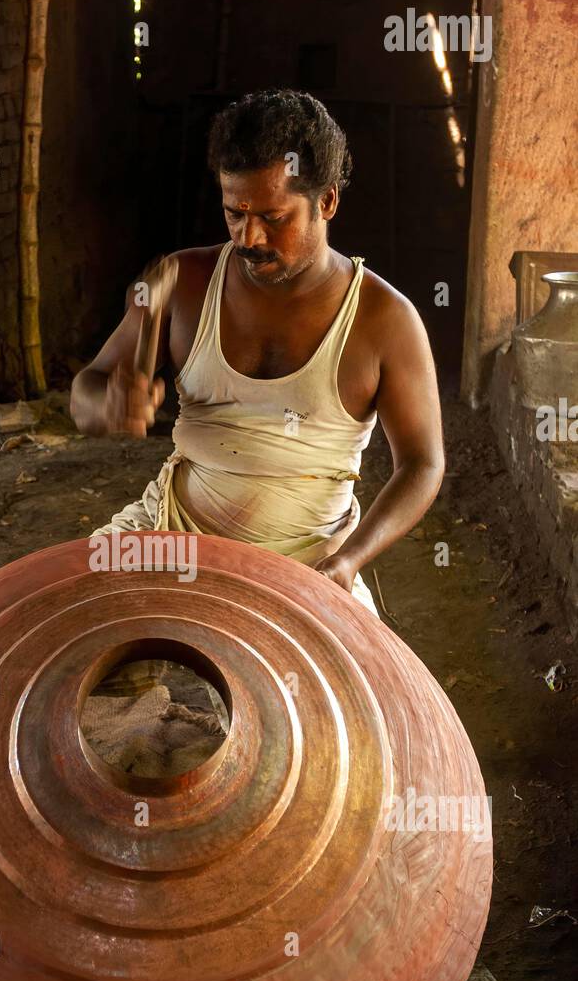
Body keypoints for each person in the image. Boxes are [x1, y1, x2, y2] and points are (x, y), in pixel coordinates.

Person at [70, 88, 445, 615]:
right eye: (234, 214)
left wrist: (348, 562)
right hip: (170, 533)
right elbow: (87, 387)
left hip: (311, 561)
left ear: (328, 201)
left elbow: (423, 464)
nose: (249, 237)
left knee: (349, 695)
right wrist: (103, 404)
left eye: (273, 217)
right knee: (66, 626)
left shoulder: (385, 319)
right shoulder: (182, 282)